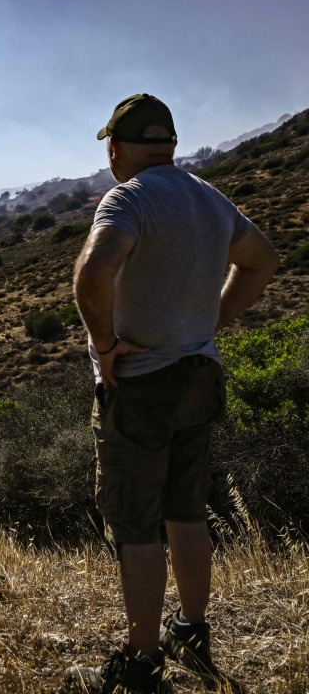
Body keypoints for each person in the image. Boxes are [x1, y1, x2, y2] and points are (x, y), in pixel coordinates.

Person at [64, 94, 279, 694]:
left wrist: (104, 346)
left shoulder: (128, 197)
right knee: (186, 512)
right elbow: (262, 261)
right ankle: (192, 632)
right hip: (198, 376)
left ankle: (142, 664)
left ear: (116, 147)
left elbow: (92, 276)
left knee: (135, 524)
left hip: (143, 385)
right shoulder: (209, 198)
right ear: (171, 144)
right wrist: (211, 322)